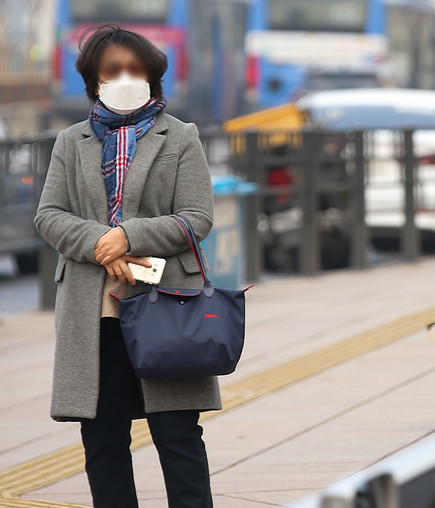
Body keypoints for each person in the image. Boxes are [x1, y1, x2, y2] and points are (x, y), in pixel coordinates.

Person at [34, 24, 219, 506]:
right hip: (94, 313)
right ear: (94, 79)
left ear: (153, 77)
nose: (124, 77)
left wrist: (129, 235)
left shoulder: (180, 136)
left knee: (177, 434)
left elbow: (197, 217)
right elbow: (49, 215)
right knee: (103, 439)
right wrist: (103, 242)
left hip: (165, 305)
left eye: (134, 69)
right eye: (112, 69)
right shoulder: (70, 141)